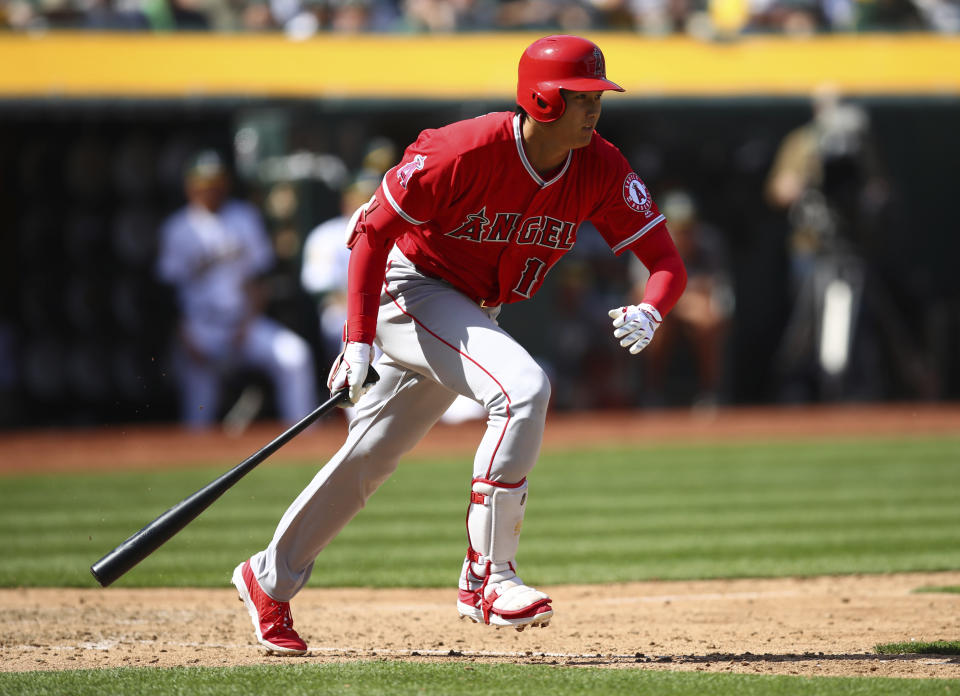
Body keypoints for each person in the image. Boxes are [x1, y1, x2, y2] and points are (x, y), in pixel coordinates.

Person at [231, 35, 687, 655]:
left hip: (470, 307)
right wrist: (359, 339)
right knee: (523, 388)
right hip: (410, 289)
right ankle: (488, 577)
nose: (594, 108)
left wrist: (652, 308)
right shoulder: (462, 148)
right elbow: (369, 235)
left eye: (598, 96)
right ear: (542, 98)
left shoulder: (600, 165)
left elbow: (664, 261)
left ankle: (267, 577)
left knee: (370, 458)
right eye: (582, 96)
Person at [156, 150, 317, 428]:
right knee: (198, 405)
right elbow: (165, 294)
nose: (211, 189)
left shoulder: (244, 217)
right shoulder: (177, 228)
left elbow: (259, 278)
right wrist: (185, 336)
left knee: (294, 356)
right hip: (200, 330)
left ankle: (305, 440)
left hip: (244, 324)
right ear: (190, 186)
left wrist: (248, 322)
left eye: (216, 182)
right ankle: (192, 457)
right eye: (204, 183)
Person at [628, 189, 733, 409]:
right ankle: (651, 393)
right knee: (653, 325)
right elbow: (640, 292)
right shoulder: (649, 239)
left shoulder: (708, 243)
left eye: (688, 227)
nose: (684, 234)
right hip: (661, 313)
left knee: (710, 322)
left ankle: (710, 393)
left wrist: (680, 298)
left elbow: (717, 292)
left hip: (692, 312)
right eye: (677, 227)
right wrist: (684, 301)